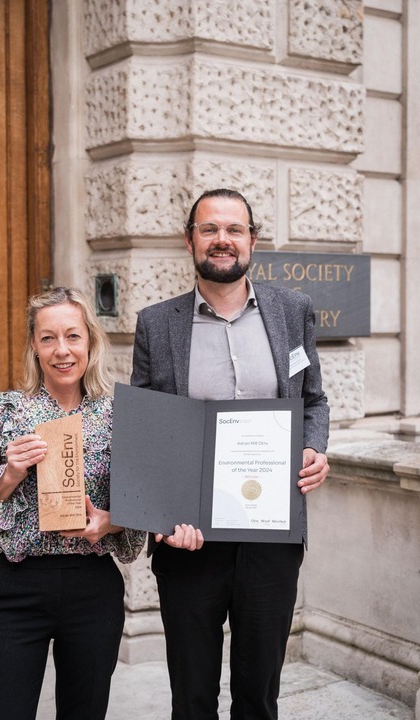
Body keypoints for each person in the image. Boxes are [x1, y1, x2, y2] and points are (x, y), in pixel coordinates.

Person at [131, 188, 330, 720]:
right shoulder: (157, 323)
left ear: (252, 240)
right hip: (189, 537)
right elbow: (146, 429)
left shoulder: (293, 311)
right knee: (192, 694)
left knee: (259, 692)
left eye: (234, 230)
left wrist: (313, 447)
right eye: (210, 229)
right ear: (190, 239)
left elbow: (313, 399)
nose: (222, 240)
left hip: (271, 533)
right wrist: (159, 516)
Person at [0, 287, 145, 720]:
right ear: (34, 347)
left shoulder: (118, 418)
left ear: (90, 343)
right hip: (17, 588)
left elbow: (137, 528)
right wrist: (9, 475)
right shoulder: (2, 413)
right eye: (48, 338)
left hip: (93, 588)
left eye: (73, 336)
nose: (62, 351)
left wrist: (110, 523)